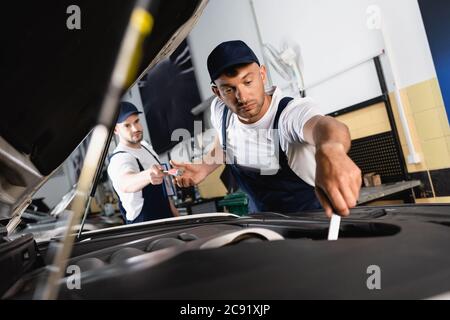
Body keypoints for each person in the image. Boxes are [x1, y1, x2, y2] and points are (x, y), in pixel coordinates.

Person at [171, 40, 361, 217]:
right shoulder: (221, 111)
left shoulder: (289, 113)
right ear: (217, 92)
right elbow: (224, 145)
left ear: (262, 75)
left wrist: (331, 150)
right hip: (264, 223)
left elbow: (324, 126)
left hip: (313, 219)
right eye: (229, 89)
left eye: (248, 82)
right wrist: (203, 167)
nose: (242, 97)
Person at [107, 101, 179, 224]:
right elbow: (125, 183)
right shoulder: (120, 158)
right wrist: (148, 175)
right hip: (145, 225)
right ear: (115, 130)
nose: (135, 129)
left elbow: (164, 193)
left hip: (167, 217)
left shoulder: (146, 147)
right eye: (127, 125)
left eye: (136, 121)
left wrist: (176, 216)